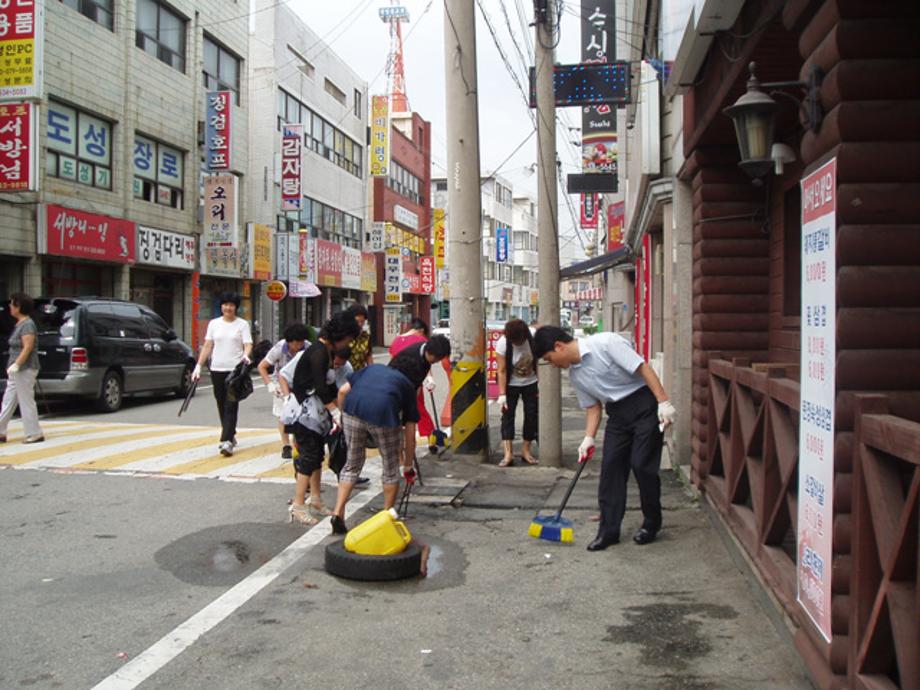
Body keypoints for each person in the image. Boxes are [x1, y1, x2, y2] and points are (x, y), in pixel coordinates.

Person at [533, 326, 677, 551]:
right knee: (610, 468)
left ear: (558, 346)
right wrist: (588, 438)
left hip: (644, 405)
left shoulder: (606, 343)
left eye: (549, 358)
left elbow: (643, 368)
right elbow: (593, 407)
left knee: (642, 465)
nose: (552, 364)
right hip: (618, 415)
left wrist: (663, 402)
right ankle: (608, 532)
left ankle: (651, 522)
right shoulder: (575, 375)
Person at [329, 361, 420, 535]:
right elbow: (410, 431)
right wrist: (408, 465)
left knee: (352, 464)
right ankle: (386, 518)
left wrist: (342, 416)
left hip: (352, 411)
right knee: (391, 466)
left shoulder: (372, 368)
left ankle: (337, 513)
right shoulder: (407, 385)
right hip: (383, 414)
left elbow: (342, 391)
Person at [287, 312, 360, 525]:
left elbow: (328, 386)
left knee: (317, 454)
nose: (347, 343)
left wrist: (338, 408)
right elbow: (321, 386)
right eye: (347, 339)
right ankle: (299, 505)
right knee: (309, 456)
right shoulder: (319, 352)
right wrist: (335, 411)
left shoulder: (325, 350)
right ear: (340, 335)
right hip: (305, 413)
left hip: (317, 412)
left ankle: (316, 499)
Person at [192, 292, 253, 457]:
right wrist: (198, 365)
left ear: (236, 308)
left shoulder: (242, 325)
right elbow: (207, 346)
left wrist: (246, 356)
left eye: (231, 305)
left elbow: (248, 344)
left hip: (234, 370)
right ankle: (230, 434)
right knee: (221, 402)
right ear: (221, 306)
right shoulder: (214, 324)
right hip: (217, 369)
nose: (228, 308)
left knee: (231, 404)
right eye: (225, 304)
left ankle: (226, 441)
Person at [388, 334, 451, 455]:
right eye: (436, 359)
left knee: (411, 423)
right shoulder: (412, 360)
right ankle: (401, 461)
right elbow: (404, 385)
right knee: (398, 429)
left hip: (408, 390)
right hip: (394, 392)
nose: (436, 362)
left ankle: (407, 463)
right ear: (431, 352)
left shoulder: (426, 356)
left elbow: (416, 386)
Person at [258, 323, 311, 459]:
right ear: (289, 341)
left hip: (300, 383)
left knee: (301, 415)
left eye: (301, 342)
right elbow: (262, 366)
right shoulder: (279, 348)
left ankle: (298, 443)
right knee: (283, 415)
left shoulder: (308, 347)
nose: (299, 346)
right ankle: (286, 445)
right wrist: (269, 384)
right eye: (296, 343)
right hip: (280, 383)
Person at [0, 293, 44, 444]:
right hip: (16, 370)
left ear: (19, 307)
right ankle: (1, 431)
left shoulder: (27, 325)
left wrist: (17, 364)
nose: (10, 307)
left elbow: (28, 347)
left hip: (25, 368)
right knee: (8, 400)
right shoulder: (20, 324)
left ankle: (34, 433)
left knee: (26, 401)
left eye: (12, 304)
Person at [495, 319, 538, 466]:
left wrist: (542, 385)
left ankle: (526, 450)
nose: (517, 344)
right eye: (514, 341)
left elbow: (540, 362)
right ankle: (508, 453)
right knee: (507, 416)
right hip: (510, 384)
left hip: (531, 382)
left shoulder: (533, 337)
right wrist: (502, 394)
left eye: (519, 340)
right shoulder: (502, 343)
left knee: (532, 415)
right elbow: (501, 370)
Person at [346, 304, 373, 372]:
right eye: (357, 321)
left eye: (362, 321)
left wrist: (372, 371)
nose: (360, 324)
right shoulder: (344, 335)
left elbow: (369, 356)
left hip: (359, 374)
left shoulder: (366, 337)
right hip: (345, 375)